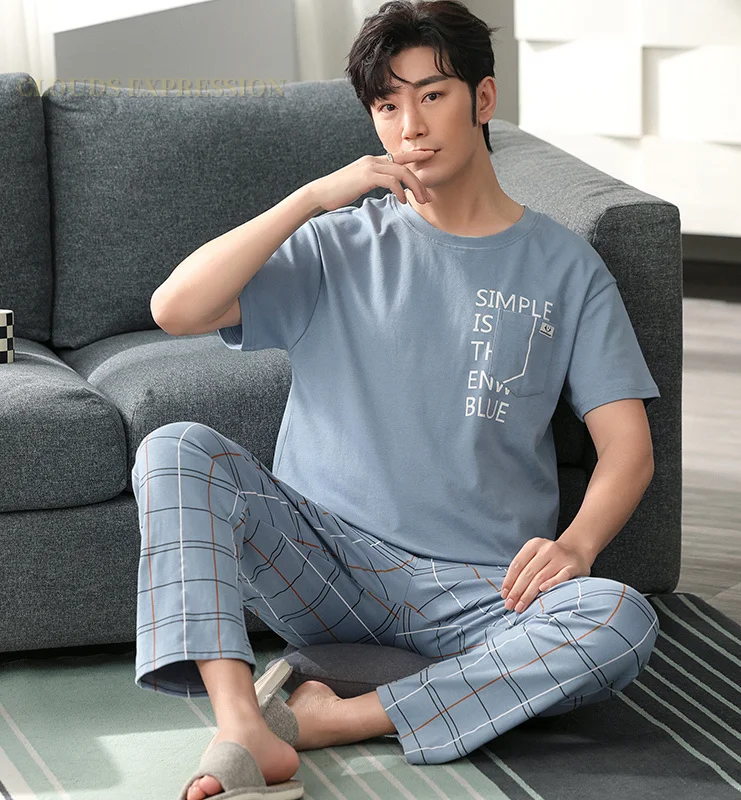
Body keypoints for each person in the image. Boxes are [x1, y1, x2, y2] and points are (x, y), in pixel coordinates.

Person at [133, 1, 663, 798]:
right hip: (327, 569)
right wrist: (311, 198)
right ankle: (243, 724)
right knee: (174, 448)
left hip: (480, 595)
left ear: (484, 99)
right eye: (387, 105)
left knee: (619, 619)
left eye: (432, 95)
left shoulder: (567, 269)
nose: (410, 125)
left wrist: (578, 547)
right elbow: (176, 309)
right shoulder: (337, 244)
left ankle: (329, 718)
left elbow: (628, 447)